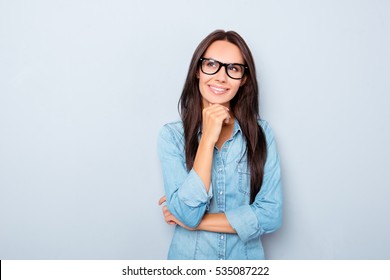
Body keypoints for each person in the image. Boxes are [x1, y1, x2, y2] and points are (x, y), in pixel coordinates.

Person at [157, 30, 282, 260]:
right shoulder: (171, 136)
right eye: (211, 64)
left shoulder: (261, 134)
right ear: (198, 70)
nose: (221, 77)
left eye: (233, 68)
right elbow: (187, 212)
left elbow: (271, 215)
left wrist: (195, 223)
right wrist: (207, 138)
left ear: (244, 79)